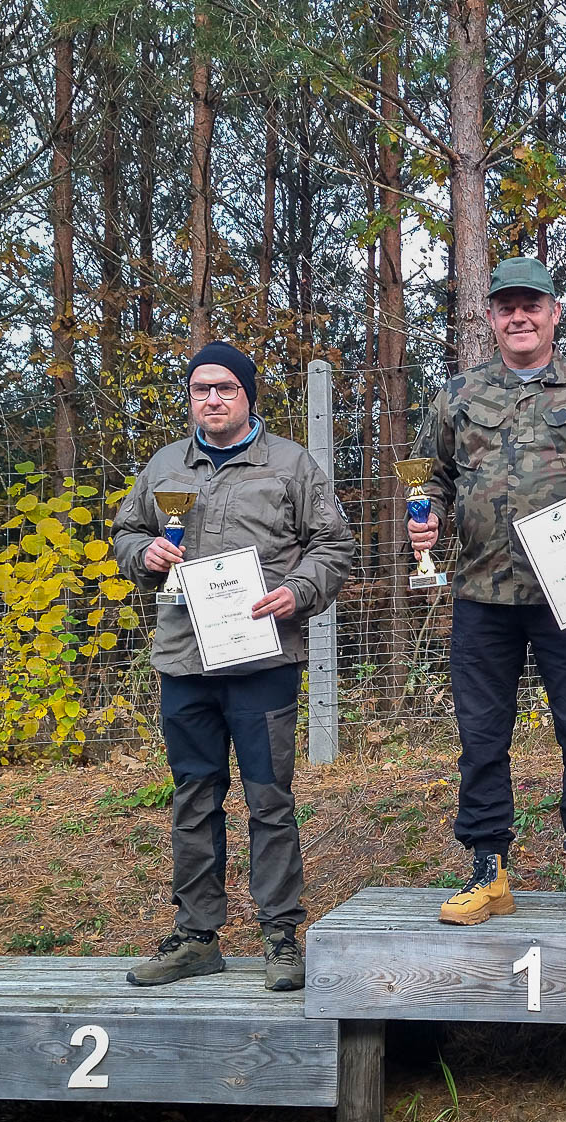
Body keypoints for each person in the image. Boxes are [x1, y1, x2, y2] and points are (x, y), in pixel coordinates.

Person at [409, 257, 566, 928]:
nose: (518, 316)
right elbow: (428, 476)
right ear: (490, 318)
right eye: (505, 307)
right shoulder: (457, 395)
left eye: (531, 305)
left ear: (553, 313)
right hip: (481, 595)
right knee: (481, 739)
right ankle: (487, 873)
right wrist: (425, 515)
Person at [114, 341, 354, 990]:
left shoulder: (290, 465)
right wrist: (145, 557)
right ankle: (196, 936)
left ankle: (281, 938)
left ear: (248, 395)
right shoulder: (166, 465)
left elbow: (334, 547)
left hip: (263, 659)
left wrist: (298, 592)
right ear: (189, 397)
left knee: (269, 801)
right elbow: (125, 535)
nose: (211, 399)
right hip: (183, 661)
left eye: (224, 388)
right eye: (200, 390)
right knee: (194, 798)